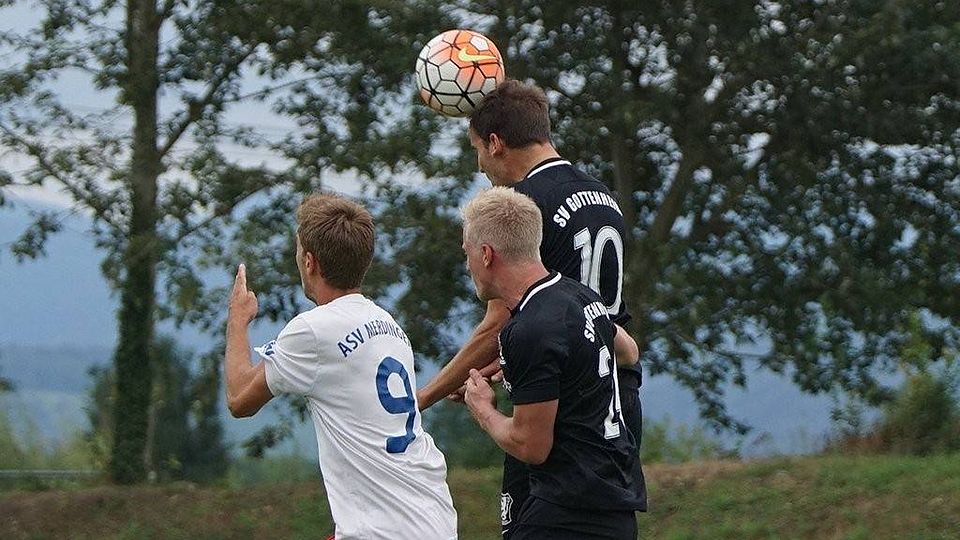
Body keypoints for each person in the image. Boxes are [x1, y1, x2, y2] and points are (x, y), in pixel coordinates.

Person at [415, 79, 644, 536]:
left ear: (496, 143)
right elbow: (583, 325)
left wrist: (423, 398)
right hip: (616, 397)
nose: (480, 166)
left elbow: (498, 324)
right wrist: (514, 363)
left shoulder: (526, 206)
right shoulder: (603, 196)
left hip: (560, 408)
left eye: (477, 150)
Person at [223, 193, 457, 540]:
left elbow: (239, 398)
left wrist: (237, 319)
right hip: (433, 516)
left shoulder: (312, 330)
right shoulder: (390, 326)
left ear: (309, 262)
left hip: (381, 531)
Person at [460, 187, 646, 539]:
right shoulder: (580, 296)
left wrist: (482, 408)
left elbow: (530, 446)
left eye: (466, 253)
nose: (467, 264)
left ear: (486, 254)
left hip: (566, 513)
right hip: (617, 510)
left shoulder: (529, 328)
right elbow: (629, 352)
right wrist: (550, 373)